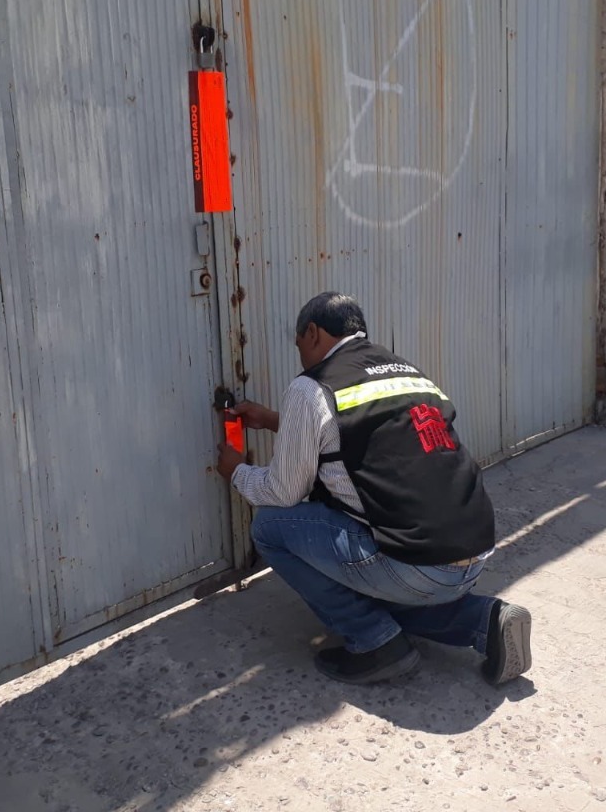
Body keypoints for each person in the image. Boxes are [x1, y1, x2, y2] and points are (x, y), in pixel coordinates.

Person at [215, 292, 532, 685]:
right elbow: (360, 435)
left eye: (299, 345)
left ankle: (374, 641)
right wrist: (275, 420)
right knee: (382, 586)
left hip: (418, 567)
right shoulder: (405, 372)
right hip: (473, 552)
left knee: (270, 527)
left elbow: (284, 492)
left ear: (312, 333)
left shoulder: (312, 386)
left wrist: (237, 472)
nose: (301, 356)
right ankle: (486, 621)